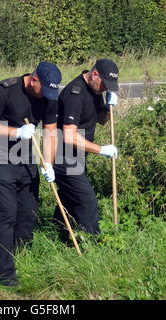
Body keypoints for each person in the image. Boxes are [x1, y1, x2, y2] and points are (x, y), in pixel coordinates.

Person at [0, 62, 61, 287]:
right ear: (34, 80)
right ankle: (6, 276)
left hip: (26, 159)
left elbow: (50, 130)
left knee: (28, 214)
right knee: (7, 215)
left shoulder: (50, 97)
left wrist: (49, 164)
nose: (47, 96)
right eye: (45, 90)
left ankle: (22, 257)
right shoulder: (5, 90)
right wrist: (15, 132)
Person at [52, 59, 119, 241]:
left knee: (69, 197)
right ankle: (90, 244)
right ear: (94, 74)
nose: (106, 88)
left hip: (78, 154)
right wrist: (101, 149)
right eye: (105, 84)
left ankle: (57, 233)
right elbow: (69, 136)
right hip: (63, 155)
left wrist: (107, 106)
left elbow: (101, 120)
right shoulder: (75, 94)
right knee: (86, 201)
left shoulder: (95, 90)